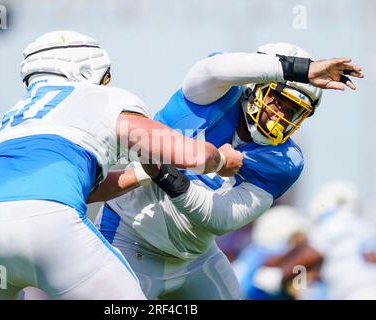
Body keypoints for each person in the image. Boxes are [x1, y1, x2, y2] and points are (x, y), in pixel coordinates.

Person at [0, 31, 241, 300]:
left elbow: (82, 189)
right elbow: (189, 155)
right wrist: (220, 159)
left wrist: (141, 174)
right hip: (50, 222)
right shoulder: (100, 97)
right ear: (86, 67)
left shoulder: (11, 118)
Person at [95, 42, 363, 299]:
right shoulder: (212, 93)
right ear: (254, 86)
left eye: (293, 110)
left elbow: (220, 219)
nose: (282, 115)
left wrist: (164, 174)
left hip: (195, 257)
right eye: (279, 100)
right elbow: (215, 68)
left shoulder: (284, 160)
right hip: (130, 236)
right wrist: (300, 70)